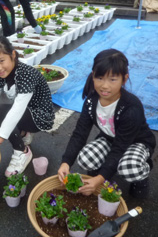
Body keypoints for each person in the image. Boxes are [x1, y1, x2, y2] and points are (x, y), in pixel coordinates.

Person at [58, 49, 156, 199]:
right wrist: (66, 162)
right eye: (100, 78)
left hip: (137, 142)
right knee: (85, 158)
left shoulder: (131, 107)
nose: (104, 86)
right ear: (93, 76)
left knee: (129, 168)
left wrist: (100, 178)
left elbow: (119, 148)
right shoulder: (91, 101)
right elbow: (80, 133)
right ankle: (102, 171)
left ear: (124, 79)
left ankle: (141, 177)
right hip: (110, 139)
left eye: (112, 79)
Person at [0, 36, 54, 177]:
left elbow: (16, 111)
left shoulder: (26, 74)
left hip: (39, 117)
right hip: (24, 113)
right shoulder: (0, 76)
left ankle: (22, 151)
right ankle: (23, 133)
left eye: (1, 61)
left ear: (12, 54)